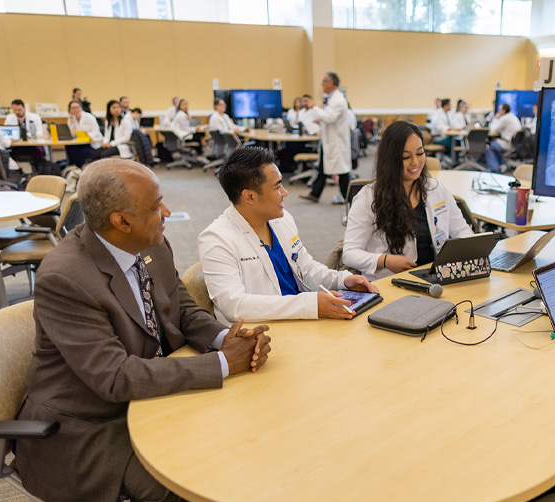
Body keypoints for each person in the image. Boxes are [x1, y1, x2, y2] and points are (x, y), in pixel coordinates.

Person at [14, 160, 271, 502]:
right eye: (157, 206)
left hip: (140, 387)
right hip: (85, 418)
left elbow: (183, 309)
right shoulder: (66, 277)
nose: (167, 212)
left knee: (219, 428)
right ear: (121, 220)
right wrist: (224, 363)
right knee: (163, 475)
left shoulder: (150, 243)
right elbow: (114, 378)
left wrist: (228, 337)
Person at [199, 147, 378, 322]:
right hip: (261, 336)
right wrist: (310, 305)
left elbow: (305, 268)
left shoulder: (280, 219)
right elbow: (235, 307)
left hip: (300, 319)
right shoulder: (217, 239)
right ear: (250, 197)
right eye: (277, 187)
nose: (285, 192)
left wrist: (343, 280)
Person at [342, 120, 473, 279]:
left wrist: (471, 249)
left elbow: (462, 231)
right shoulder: (368, 197)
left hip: (437, 278)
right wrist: (385, 260)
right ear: (390, 160)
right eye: (406, 157)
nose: (415, 162)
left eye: (419, 153)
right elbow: (349, 253)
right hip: (390, 282)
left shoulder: (436, 188)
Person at [300, 72, 352, 203]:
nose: (322, 84)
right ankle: (315, 194)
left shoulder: (339, 100)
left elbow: (330, 117)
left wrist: (314, 108)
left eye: (324, 81)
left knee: (342, 171)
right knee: (323, 168)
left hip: (337, 142)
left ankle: (347, 196)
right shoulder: (331, 98)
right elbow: (328, 117)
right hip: (329, 141)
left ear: (332, 83)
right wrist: (320, 120)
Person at [485, 102, 522, 173]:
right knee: (495, 144)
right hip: (515, 143)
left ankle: (494, 169)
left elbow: (493, 129)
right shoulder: (513, 116)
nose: (498, 111)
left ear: (503, 111)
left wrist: (496, 118)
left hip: (508, 143)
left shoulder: (504, 118)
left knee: (489, 146)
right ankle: (501, 164)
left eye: (500, 110)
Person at [66, 99, 101, 167]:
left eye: (77, 107)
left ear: (81, 108)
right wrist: (71, 122)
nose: (76, 109)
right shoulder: (71, 118)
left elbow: (96, 131)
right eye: (73, 108)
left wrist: (87, 135)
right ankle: (72, 166)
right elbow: (72, 134)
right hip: (79, 142)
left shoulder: (89, 117)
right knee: (69, 147)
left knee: (80, 151)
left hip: (91, 142)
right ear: (70, 110)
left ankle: (80, 167)